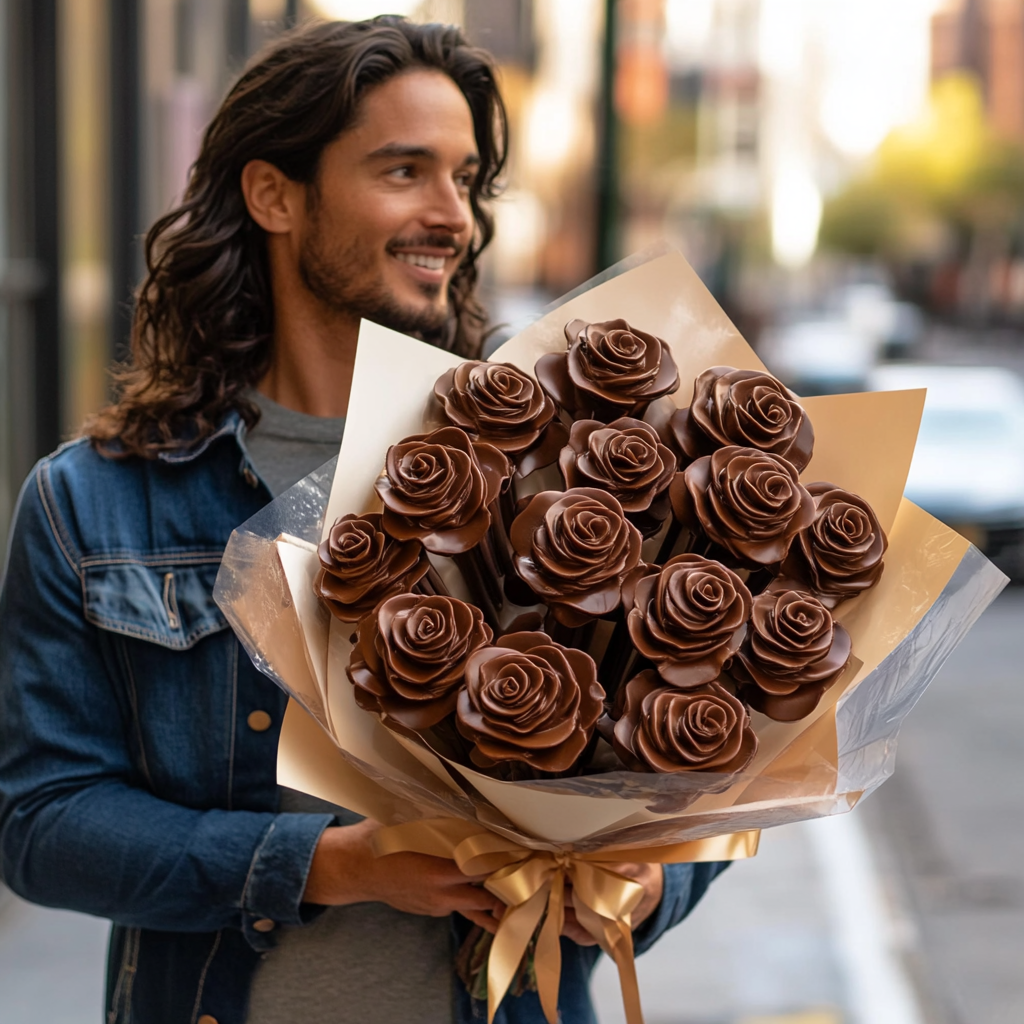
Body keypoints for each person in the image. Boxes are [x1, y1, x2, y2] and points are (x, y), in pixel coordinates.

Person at [0, 17, 728, 1024]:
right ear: (274, 195)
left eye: (465, 178)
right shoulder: (94, 503)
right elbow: (42, 822)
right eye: (404, 172)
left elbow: (705, 776)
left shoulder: (561, 473)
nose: (454, 217)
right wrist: (328, 865)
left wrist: (643, 885)